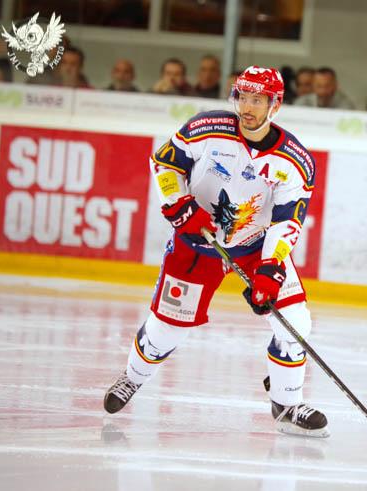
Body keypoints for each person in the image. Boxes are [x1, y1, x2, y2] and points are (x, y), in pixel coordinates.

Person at [103, 66, 328, 437]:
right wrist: (178, 204)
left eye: (257, 100)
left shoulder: (295, 160)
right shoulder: (206, 128)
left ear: (275, 105)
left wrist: (271, 268)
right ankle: (133, 377)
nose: (247, 107)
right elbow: (164, 164)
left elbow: (287, 220)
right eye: (243, 97)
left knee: (295, 323)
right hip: (197, 244)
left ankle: (287, 404)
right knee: (165, 332)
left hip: (255, 247)